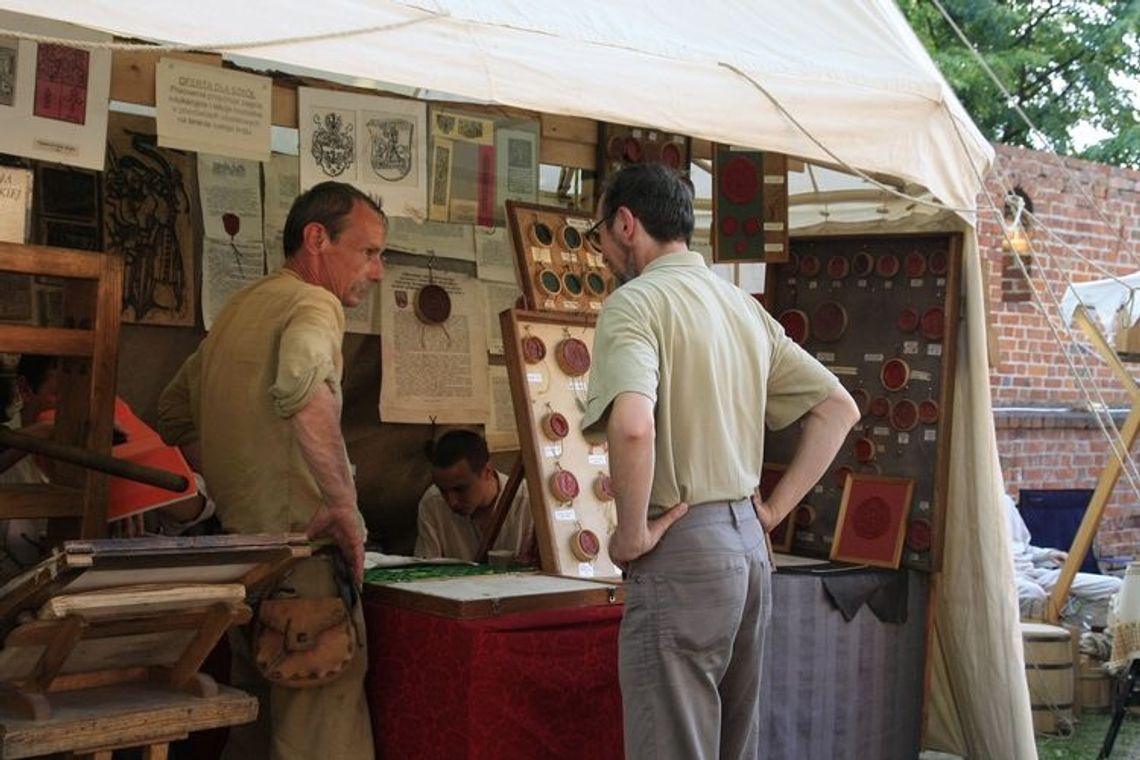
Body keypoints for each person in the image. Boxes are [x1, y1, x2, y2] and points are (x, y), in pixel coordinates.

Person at [581, 163, 860, 760]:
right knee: (734, 743)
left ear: (627, 223)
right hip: (746, 543)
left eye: (600, 231)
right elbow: (838, 408)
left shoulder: (634, 305)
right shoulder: (742, 307)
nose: (601, 247)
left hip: (682, 544)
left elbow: (632, 426)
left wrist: (630, 535)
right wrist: (772, 512)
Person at [157, 181, 386, 760]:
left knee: (256, 738)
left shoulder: (242, 307)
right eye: (368, 251)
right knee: (321, 741)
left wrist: (244, 478)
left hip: (245, 559)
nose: (377, 271)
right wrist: (342, 506)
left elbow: (174, 414)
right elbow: (306, 392)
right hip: (302, 565)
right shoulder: (313, 303)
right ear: (316, 239)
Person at [414, 429, 534, 562]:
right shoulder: (432, 503)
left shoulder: (530, 503)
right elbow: (425, 569)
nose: (451, 502)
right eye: (443, 490)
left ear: (487, 472)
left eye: (460, 489)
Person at [1003, 491, 1121, 626]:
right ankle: (1045, 640)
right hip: (1007, 579)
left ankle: (1079, 634)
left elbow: (1023, 547)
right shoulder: (977, 510)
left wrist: (1048, 554)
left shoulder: (1005, 501)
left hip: (1035, 574)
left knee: (1115, 586)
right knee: (1033, 594)